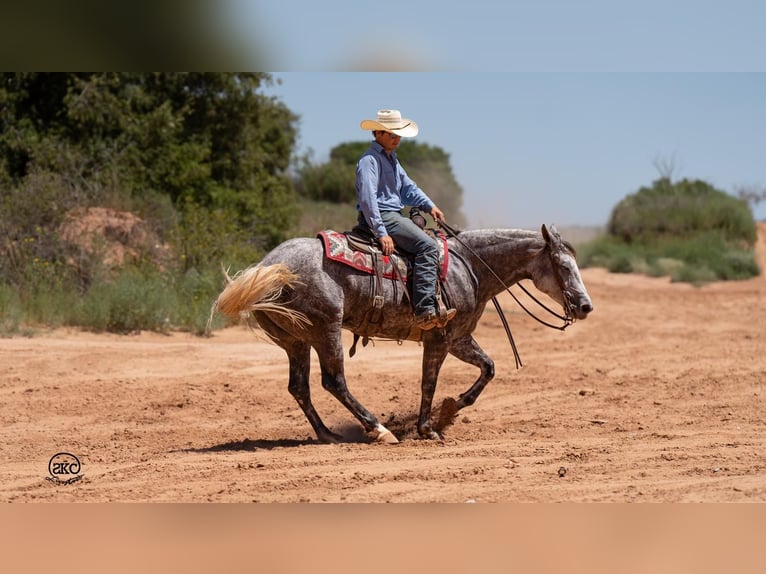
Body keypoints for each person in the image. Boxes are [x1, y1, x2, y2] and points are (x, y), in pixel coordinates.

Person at [355, 109, 456, 331]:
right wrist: (381, 232)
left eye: (398, 134)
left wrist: (430, 205)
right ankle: (424, 310)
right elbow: (368, 199)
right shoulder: (369, 161)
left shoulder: (392, 160)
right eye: (392, 134)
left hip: (392, 215)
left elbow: (408, 188)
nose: (397, 139)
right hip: (384, 216)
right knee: (428, 247)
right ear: (378, 133)